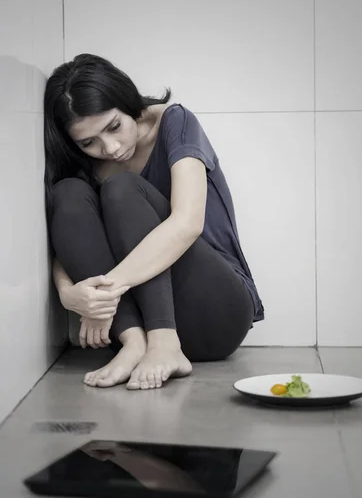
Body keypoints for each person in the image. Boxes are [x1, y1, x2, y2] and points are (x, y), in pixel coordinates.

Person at [44, 53, 264, 391]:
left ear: (125, 99)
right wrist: (69, 294)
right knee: (68, 192)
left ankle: (165, 342)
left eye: (114, 126)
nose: (111, 148)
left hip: (216, 312)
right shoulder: (86, 163)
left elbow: (187, 224)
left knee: (123, 188)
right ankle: (135, 344)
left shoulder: (176, 122)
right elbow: (71, 237)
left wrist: (105, 292)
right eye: (89, 142)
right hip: (134, 326)